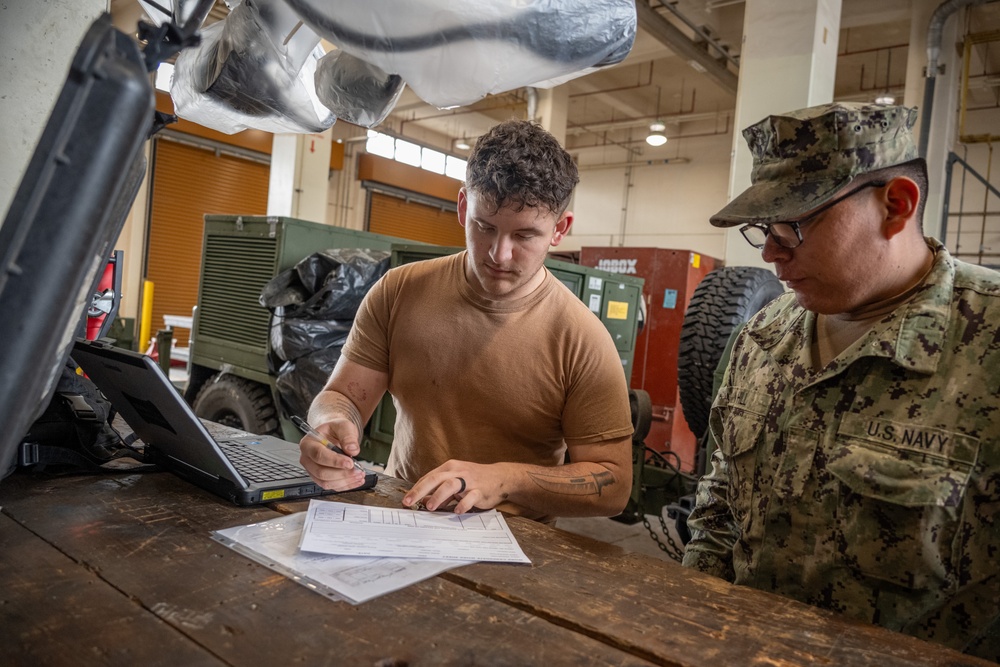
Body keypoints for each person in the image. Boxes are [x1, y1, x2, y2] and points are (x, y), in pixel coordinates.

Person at [681, 102, 1000, 660]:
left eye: (795, 224)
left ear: (896, 205)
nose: (774, 254)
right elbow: (720, 503)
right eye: (765, 229)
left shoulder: (987, 343)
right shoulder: (764, 337)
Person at [299, 119, 634, 521]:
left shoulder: (581, 339)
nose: (499, 254)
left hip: (512, 546)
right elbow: (344, 398)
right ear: (463, 207)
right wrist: (329, 425)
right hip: (398, 518)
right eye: (484, 227)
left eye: (525, 236)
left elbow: (614, 485)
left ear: (559, 230)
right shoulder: (400, 291)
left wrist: (505, 480)